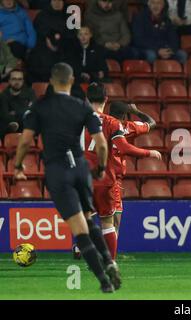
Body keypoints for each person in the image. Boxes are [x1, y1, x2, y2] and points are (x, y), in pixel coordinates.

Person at [14, 63, 121, 293]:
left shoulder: (39, 107)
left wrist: (18, 165)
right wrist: (101, 168)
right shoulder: (83, 107)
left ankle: (104, 279)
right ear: (72, 82)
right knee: (88, 217)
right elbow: (102, 144)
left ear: (51, 82)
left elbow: (25, 140)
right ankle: (109, 260)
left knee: (79, 228)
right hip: (81, 169)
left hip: (59, 170)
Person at [78, 83, 161, 261]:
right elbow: (150, 125)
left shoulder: (77, 120)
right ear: (105, 99)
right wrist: (137, 111)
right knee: (110, 223)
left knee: (87, 218)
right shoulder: (120, 125)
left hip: (81, 177)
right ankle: (109, 260)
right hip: (108, 178)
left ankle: (84, 247)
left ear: (86, 99)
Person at [107, 101, 157, 236]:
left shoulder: (100, 125)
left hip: (94, 175)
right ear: (125, 116)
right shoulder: (128, 127)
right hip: (112, 180)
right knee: (114, 224)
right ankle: (105, 254)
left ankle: (85, 245)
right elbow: (152, 122)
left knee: (95, 217)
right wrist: (136, 111)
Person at [131, 0, 188, 64]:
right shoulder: (140, 18)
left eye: (159, 3)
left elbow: (174, 38)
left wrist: (169, 50)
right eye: (153, 3)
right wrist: (157, 50)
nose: (156, 6)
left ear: (163, 6)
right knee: (151, 55)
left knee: (182, 55)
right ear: (149, 5)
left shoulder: (166, 19)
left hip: (165, 48)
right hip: (147, 49)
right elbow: (138, 40)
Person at [0, 69, 36, 134]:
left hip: (26, 126)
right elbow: (5, 116)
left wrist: (15, 112)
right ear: (9, 81)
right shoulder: (3, 96)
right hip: (9, 128)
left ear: (23, 81)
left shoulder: (30, 93)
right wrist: (24, 111)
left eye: (20, 79)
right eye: (14, 79)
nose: (17, 82)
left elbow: (33, 111)